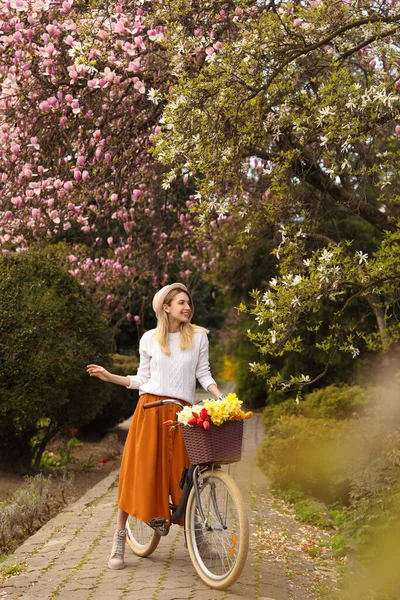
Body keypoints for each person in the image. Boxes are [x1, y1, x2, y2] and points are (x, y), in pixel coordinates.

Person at [86, 282, 225, 570]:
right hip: (150, 410)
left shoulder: (199, 338)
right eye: (181, 303)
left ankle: (197, 535)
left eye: (189, 303)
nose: (187, 307)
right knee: (137, 472)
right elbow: (141, 378)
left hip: (183, 415)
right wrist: (111, 377)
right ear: (166, 307)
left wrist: (219, 395)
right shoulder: (149, 339)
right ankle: (120, 538)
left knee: (187, 476)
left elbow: (203, 373)